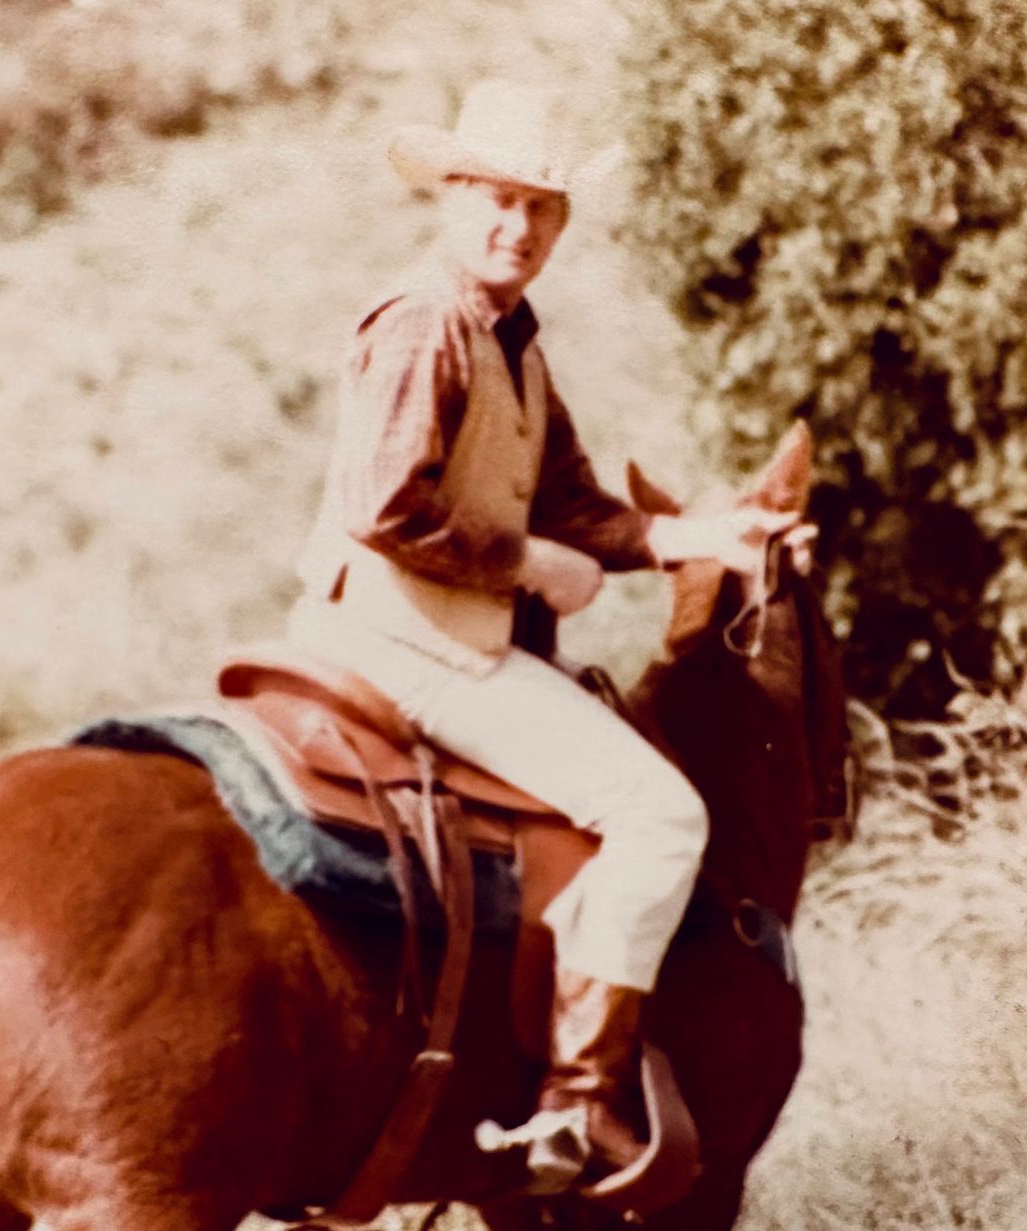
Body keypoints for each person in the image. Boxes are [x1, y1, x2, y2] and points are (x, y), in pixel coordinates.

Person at [286, 80, 798, 1190]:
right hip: (407, 641)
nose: (517, 227)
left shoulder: (511, 338)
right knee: (662, 812)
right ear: (453, 196)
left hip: (433, 636)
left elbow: (572, 503)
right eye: (498, 199)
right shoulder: (425, 324)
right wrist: (528, 564)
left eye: (542, 207)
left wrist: (702, 535)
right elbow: (386, 506)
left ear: (562, 223)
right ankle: (578, 1099)